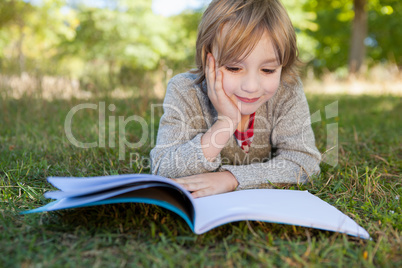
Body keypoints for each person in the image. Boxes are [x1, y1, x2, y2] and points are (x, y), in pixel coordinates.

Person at [150, 0, 321, 198]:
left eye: (268, 70)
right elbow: (162, 168)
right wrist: (224, 123)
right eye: (234, 68)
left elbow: (304, 161)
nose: (251, 86)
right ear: (208, 59)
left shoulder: (287, 90)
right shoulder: (185, 90)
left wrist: (232, 178)